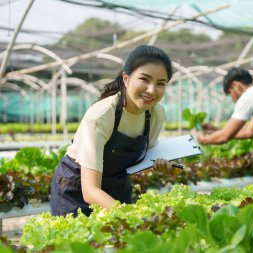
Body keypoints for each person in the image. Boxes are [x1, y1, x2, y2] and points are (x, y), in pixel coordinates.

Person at [51, 44, 174, 216]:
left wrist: (159, 164)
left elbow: (148, 153)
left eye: (160, 83)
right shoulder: (101, 116)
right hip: (77, 189)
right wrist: (129, 214)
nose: (152, 90)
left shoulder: (156, 113)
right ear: (126, 78)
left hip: (117, 185)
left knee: (122, 240)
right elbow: (90, 190)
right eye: (144, 79)